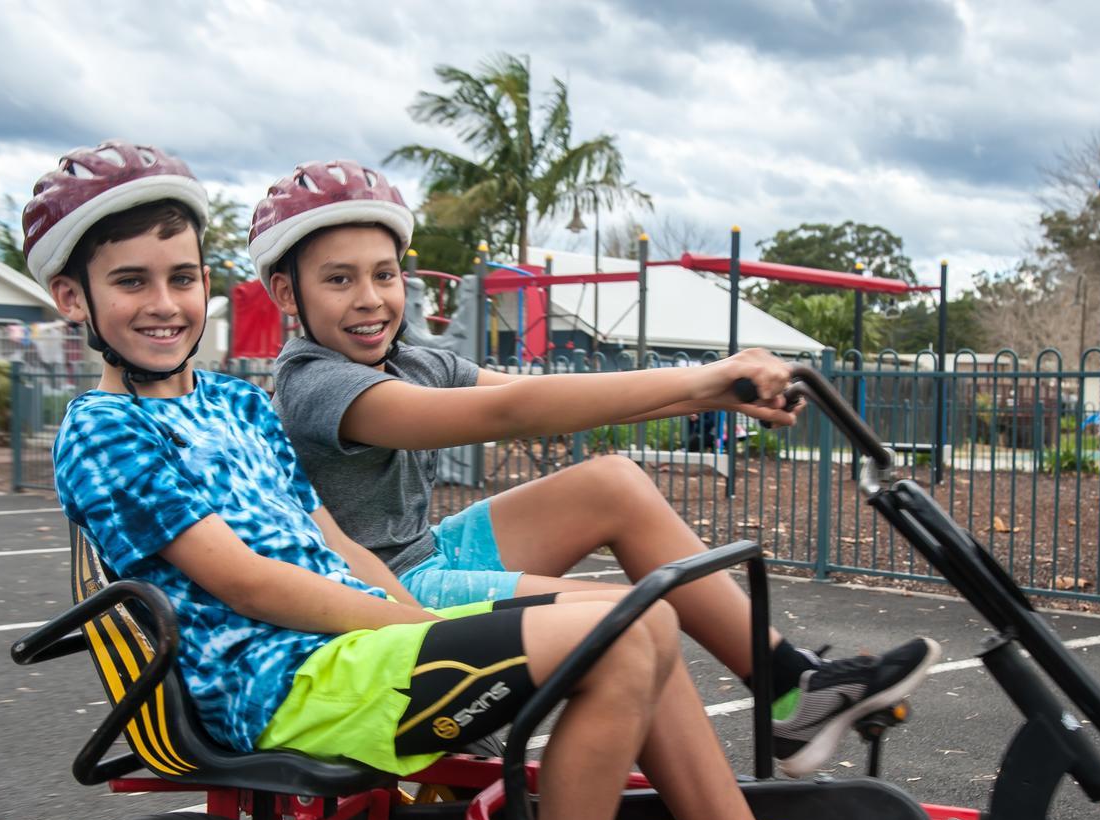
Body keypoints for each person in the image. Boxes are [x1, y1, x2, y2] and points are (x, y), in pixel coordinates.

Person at [27, 139, 783, 820]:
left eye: (182, 277)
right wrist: (416, 625)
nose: (165, 303)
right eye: (131, 282)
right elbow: (246, 582)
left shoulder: (239, 405)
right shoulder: (105, 431)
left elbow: (339, 543)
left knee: (639, 615)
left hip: (349, 651)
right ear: (72, 296)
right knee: (617, 643)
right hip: (279, 681)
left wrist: (423, 628)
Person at [253, 159, 940, 778]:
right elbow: (511, 413)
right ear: (288, 294)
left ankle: (791, 685)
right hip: (379, 595)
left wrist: (714, 391)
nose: (371, 299)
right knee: (630, 620)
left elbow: (527, 395)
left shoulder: (413, 358)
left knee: (612, 482)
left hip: (424, 553)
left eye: (384, 274)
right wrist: (706, 375)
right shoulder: (315, 385)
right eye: (339, 280)